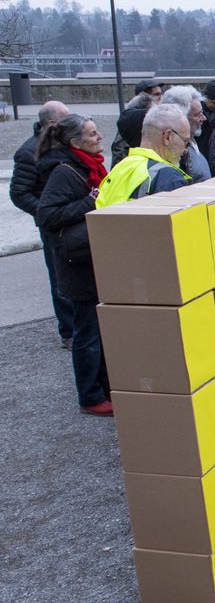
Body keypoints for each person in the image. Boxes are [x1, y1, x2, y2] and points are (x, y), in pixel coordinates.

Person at [34, 115, 112, 416]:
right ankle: (90, 396)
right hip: (76, 263)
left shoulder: (87, 165)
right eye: (92, 134)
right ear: (74, 142)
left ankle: (102, 389)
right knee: (87, 332)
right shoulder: (64, 172)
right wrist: (90, 202)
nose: (99, 137)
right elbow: (47, 215)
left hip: (87, 258)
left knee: (95, 329)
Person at [10, 100, 75, 348]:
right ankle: (68, 331)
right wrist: (48, 212)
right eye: (65, 118)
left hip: (67, 219)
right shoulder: (29, 152)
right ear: (51, 123)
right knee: (59, 277)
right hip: (53, 225)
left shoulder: (61, 143)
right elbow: (19, 193)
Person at [96, 103, 192, 205]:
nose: (186, 150)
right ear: (167, 137)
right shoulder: (168, 177)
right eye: (185, 142)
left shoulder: (120, 167)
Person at [160, 85, 211, 182]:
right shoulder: (175, 151)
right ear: (181, 118)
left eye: (202, 112)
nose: (203, 118)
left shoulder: (192, 141)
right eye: (197, 114)